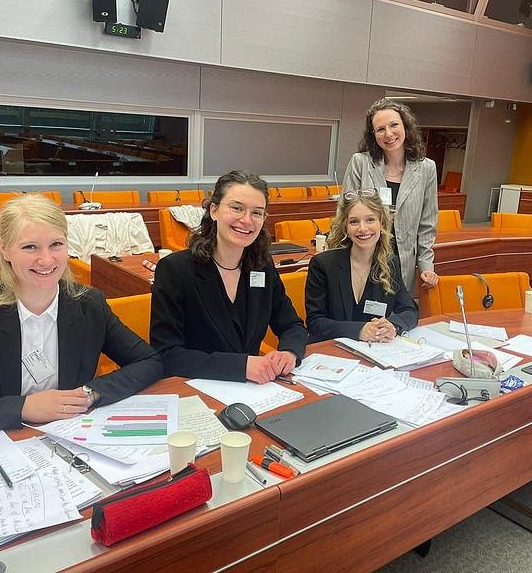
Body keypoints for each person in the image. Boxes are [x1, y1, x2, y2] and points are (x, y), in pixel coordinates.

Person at [0, 194, 162, 436]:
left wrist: (89, 394)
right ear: (4, 250)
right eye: (30, 247)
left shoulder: (89, 304)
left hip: (69, 437)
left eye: (56, 244)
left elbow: (150, 362)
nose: (46, 260)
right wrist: (22, 408)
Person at [151, 170, 308, 383]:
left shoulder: (262, 266)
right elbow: (167, 354)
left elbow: (292, 325)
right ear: (214, 210)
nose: (246, 220)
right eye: (237, 208)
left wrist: (289, 353)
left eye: (257, 213)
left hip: (254, 390)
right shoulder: (175, 270)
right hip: (196, 389)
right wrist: (240, 366)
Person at [343, 98, 439, 294]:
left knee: (396, 316)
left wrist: (426, 266)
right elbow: (344, 215)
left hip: (403, 262)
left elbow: (427, 224)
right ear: (373, 135)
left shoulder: (426, 168)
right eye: (380, 129)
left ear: (406, 126)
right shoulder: (360, 163)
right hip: (363, 257)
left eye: (394, 125)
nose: (388, 134)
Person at [305, 190, 418, 344]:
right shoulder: (323, 265)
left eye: (370, 220)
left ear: (382, 224)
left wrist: (394, 326)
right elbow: (315, 323)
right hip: (331, 350)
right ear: (345, 227)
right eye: (354, 222)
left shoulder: (390, 264)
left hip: (374, 351)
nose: (363, 228)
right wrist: (359, 330)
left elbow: (410, 311)